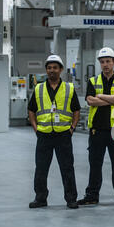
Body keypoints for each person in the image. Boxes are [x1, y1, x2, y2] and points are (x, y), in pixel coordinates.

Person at [77, 47, 114, 206]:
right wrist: (112, 98)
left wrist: (101, 97)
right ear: (99, 63)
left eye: (108, 61)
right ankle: (92, 196)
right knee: (95, 164)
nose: (105, 64)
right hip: (97, 128)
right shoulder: (92, 81)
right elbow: (90, 101)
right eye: (102, 61)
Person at [27, 54, 80, 209]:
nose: (52, 70)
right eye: (49, 68)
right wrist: (36, 129)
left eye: (55, 68)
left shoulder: (69, 88)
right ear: (46, 70)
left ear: (61, 70)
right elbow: (31, 110)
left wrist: (72, 128)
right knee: (41, 169)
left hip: (63, 134)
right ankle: (40, 198)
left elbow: (76, 110)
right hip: (44, 135)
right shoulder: (39, 88)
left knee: (67, 168)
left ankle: (71, 199)